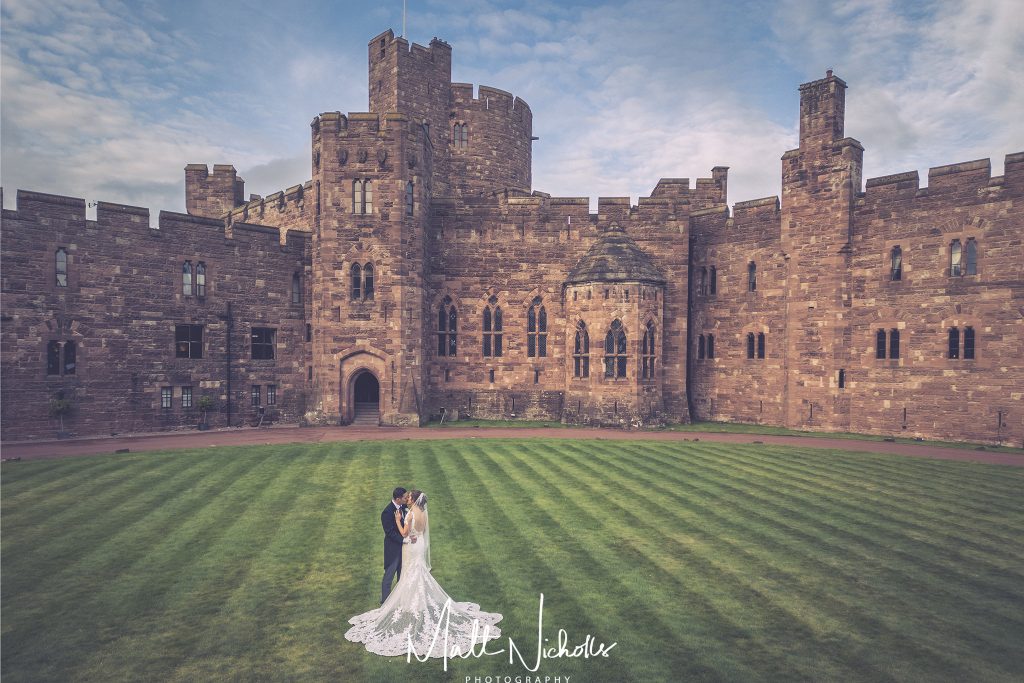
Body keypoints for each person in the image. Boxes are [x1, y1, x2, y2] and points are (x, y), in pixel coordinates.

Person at [346, 489, 503, 657]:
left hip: (410, 546)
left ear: (413, 500)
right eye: (405, 496)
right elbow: (418, 531)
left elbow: (405, 533)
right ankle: (414, 602)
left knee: (410, 573)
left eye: (409, 496)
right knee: (416, 573)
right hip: (418, 544)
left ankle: (410, 604)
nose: (407, 498)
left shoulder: (410, 513)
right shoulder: (422, 512)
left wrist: (399, 521)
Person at [380, 487, 411, 605]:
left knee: (402, 575)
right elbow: (389, 532)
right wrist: (403, 540)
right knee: (389, 576)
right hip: (393, 549)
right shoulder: (387, 512)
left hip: (404, 549)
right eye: (405, 497)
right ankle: (385, 603)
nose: (407, 499)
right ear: (398, 499)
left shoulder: (404, 507)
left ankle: (401, 600)